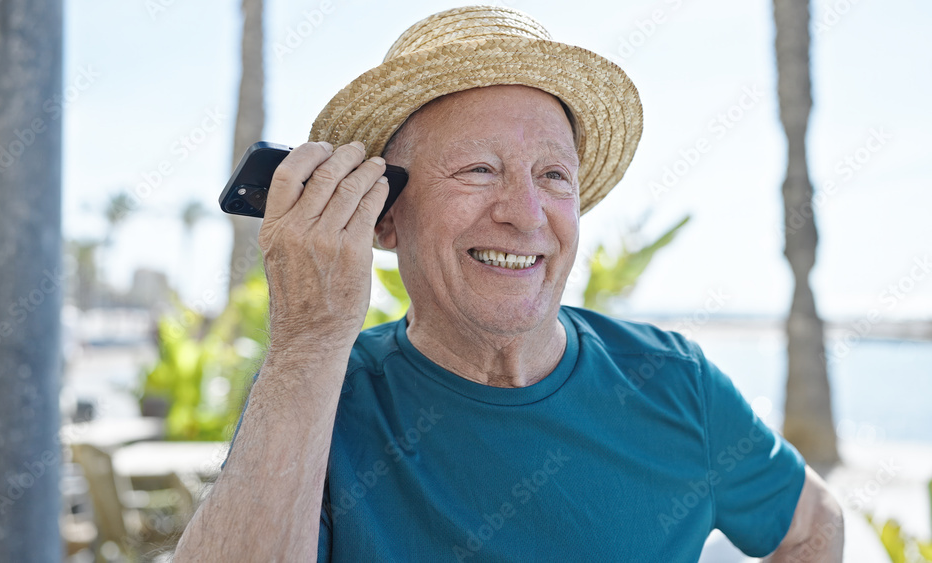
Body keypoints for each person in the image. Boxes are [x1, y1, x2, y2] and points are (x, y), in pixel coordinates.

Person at [176, 6, 843, 562]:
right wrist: (308, 342)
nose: (525, 214)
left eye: (554, 176)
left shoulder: (674, 382)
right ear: (384, 216)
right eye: (478, 169)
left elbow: (816, 523)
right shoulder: (320, 393)